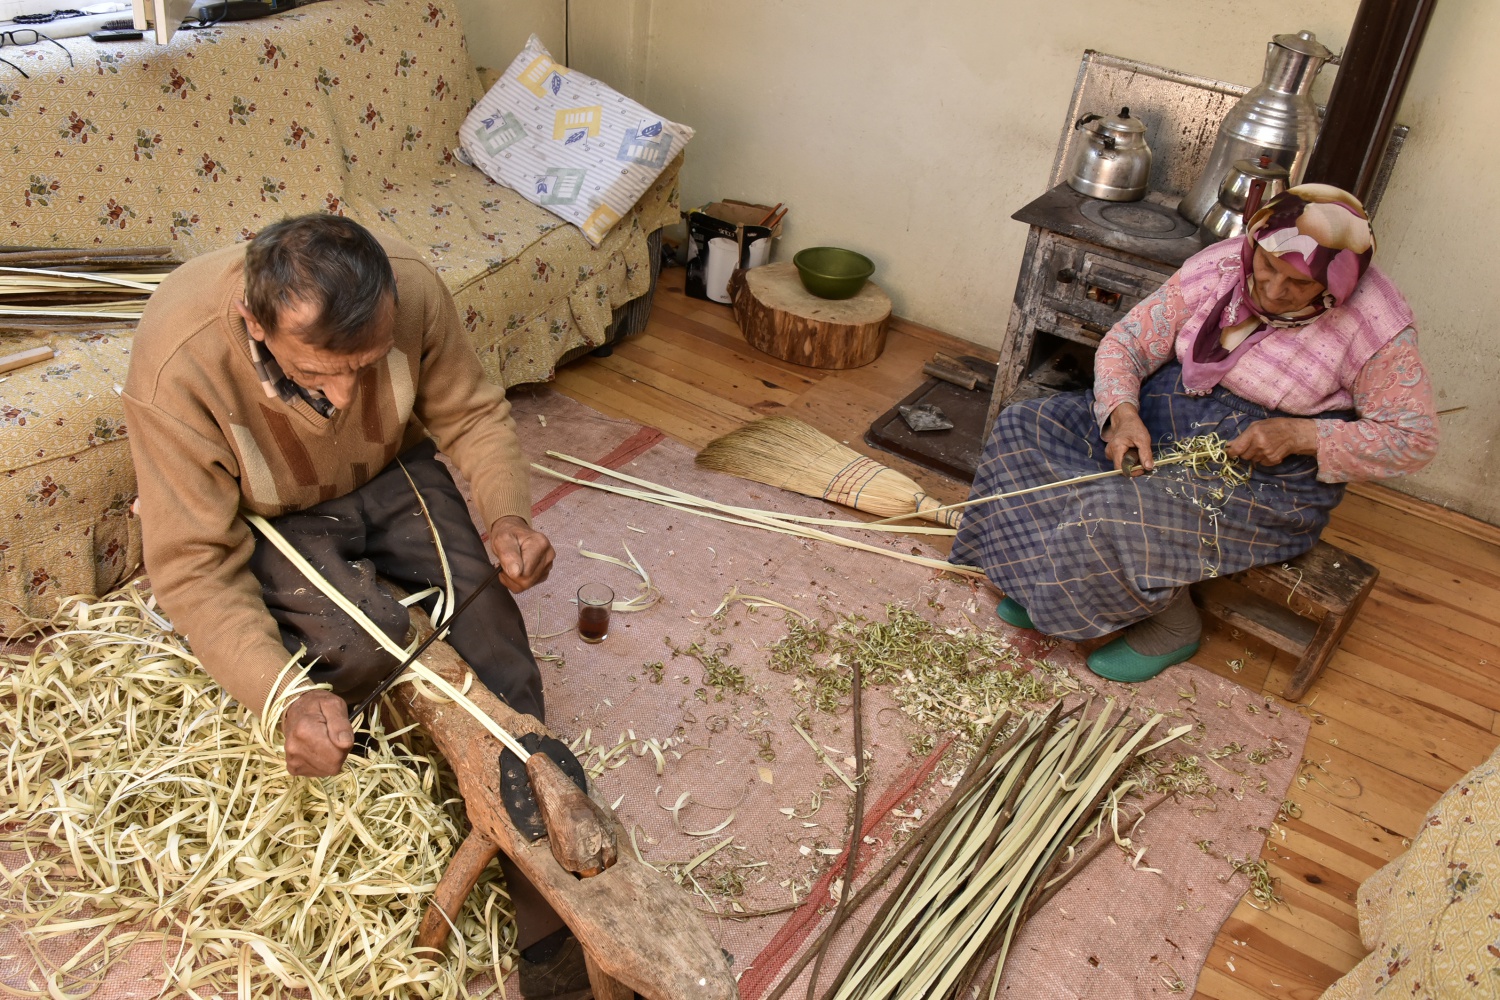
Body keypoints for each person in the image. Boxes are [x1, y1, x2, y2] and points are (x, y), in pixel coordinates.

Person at [123, 214, 587, 999]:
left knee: (492, 639)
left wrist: (508, 513)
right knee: (366, 650)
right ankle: (433, 798)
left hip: (390, 467)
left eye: (365, 366)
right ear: (253, 322)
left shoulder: (410, 289)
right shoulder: (180, 358)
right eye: (318, 372)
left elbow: (469, 411)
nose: (342, 396)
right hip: (272, 508)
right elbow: (194, 564)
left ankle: (540, 877)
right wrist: (283, 698)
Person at [951, 185, 1438, 682]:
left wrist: (1300, 435)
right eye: (1267, 267)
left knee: (1118, 506)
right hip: (1166, 415)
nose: (1272, 290)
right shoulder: (1222, 266)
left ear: (1337, 281)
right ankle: (1037, 584)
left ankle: (1173, 627)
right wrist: (1122, 414)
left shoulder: (1375, 325)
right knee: (1024, 428)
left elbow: (1413, 439)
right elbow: (1128, 341)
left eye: (1298, 284)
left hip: (1264, 474)